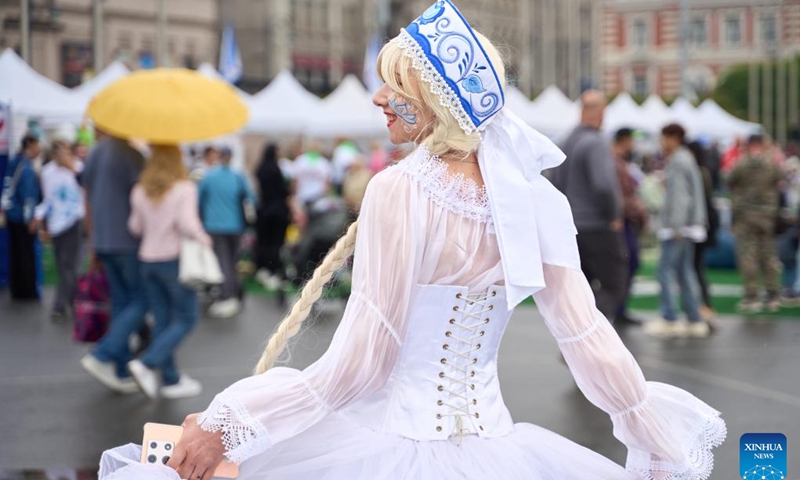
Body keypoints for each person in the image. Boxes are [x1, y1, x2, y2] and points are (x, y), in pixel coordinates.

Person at [100, 2, 725, 478]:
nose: (378, 97)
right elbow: (589, 341)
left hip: (396, 450)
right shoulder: (535, 198)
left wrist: (231, 424)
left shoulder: (400, 190)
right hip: (500, 453)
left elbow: (361, 365)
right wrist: (655, 441)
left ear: (434, 100)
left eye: (394, 86)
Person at [127, 145, 211, 399]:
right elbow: (188, 224)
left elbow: (134, 227)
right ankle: (146, 363)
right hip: (173, 261)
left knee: (162, 321)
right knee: (186, 318)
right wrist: (204, 239)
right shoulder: (184, 188)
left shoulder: (140, 190)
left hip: (147, 260)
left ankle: (171, 379)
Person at [550, 90, 628, 322]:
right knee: (614, 283)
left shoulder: (566, 141)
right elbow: (604, 185)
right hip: (597, 224)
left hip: (571, 225)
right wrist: (614, 215)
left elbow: (554, 182)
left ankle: (578, 332)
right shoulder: (596, 143)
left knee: (580, 287)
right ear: (600, 112)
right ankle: (596, 331)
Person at [80, 134, 147, 394]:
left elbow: (87, 197)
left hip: (103, 240)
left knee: (120, 303)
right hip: (128, 241)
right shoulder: (132, 156)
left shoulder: (96, 152)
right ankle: (103, 354)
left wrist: (91, 240)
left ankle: (120, 368)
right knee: (142, 300)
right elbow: (143, 199)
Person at [645, 124, 710, 338]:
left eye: (664, 138)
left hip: (678, 227)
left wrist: (675, 226)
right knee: (684, 271)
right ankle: (694, 318)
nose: (662, 143)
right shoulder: (686, 159)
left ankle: (670, 318)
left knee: (665, 270)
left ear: (675, 138)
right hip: (688, 226)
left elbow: (681, 198)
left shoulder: (679, 161)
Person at [727, 134, 785, 313]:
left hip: (746, 215)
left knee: (748, 256)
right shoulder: (771, 162)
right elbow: (780, 180)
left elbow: (729, 180)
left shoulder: (741, 163)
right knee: (769, 255)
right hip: (767, 215)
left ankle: (751, 296)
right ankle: (772, 295)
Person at [198, 148, 258, 318]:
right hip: (235, 224)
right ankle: (232, 292)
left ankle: (226, 295)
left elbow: (199, 200)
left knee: (222, 261)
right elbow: (252, 198)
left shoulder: (209, 176)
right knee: (232, 261)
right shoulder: (237, 176)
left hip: (214, 225)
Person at [30, 140, 85, 321]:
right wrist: (39, 216)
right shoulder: (48, 172)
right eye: (59, 152)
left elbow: (86, 191)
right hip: (56, 224)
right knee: (64, 267)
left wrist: (72, 168)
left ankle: (60, 306)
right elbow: (48, 199)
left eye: (66, 151)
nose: (62, 156)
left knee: (69, 265)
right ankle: (74, 302)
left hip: (74, 220)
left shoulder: (78, 167)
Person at [612, 128, 647, 326]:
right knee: (627, 262)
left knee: (628, 262)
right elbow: (616, 192)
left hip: (621, 219)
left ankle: (619, 308)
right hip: (618, 221)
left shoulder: (620, 162)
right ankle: (616, 308)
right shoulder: (614, 162)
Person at [1, 135, 42, 300]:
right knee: (26, 254)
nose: (40, 149)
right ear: (30, 145)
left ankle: (17, 289)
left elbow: (8, 187)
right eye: (37, 145)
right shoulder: (26, 167)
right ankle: (27, 290)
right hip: (22, 217)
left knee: (15, 253)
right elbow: (28, 194)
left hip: (12, 214)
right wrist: (30, 219)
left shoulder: (14, 163)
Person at [687, 141, 720, 326]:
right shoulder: (704, 172)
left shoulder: (697, 172)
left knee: (694, 268)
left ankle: (703, 307)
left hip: (698, 226)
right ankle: (703, 306)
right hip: (703, 225)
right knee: (696, 268)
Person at [254, 144, 292, 291]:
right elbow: (283, 191)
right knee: (276, 243)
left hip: (264, 211)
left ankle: (263, 268)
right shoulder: (276, 170)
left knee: (264, 242)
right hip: (277, 212)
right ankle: (273, 269)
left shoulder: (261, 169)